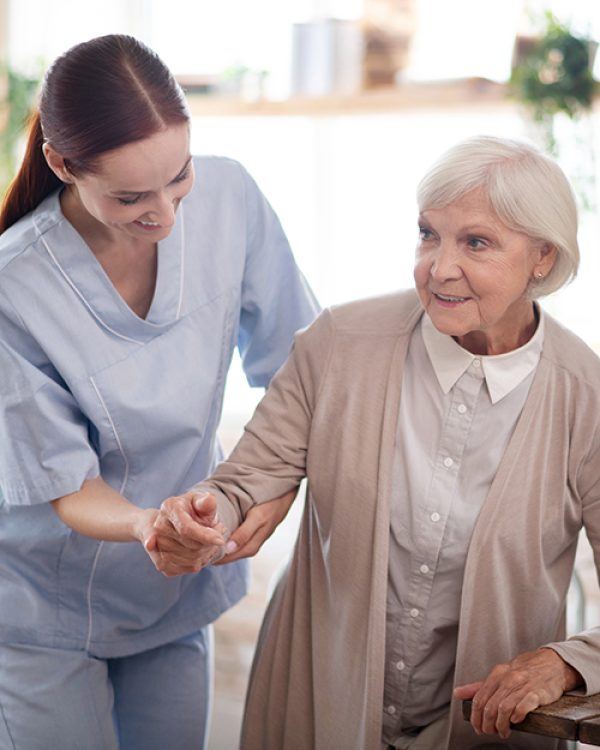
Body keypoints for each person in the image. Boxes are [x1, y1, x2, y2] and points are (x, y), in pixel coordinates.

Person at [153, 135, 600, 750]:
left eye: (476, 242)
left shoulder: (586, 396)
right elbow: (246, 479)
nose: (439, 267)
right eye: (428, 234)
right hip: (316, 704)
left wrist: (568, 661)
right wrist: (203, 515)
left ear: (543, 259)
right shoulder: (338, 342)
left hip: (490, 733)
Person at [0, 34, 318, 750]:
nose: (167, 215)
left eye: (179, 176)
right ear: (61, 164)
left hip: (173, 588)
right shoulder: (14, 287)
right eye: (131, 196)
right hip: (43, 610)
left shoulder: (233, 197)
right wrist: (150, 526)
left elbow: (302, 372)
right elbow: (63, 482)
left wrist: (266, 494)